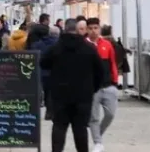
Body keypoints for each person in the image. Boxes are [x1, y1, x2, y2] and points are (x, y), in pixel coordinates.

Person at [41, 19, 104, 152]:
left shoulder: (56, 48)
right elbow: (100, 72)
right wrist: (92, 88)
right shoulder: (89, 48)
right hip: (83, 97)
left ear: (64, 29)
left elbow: (43, 63)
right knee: (80, 129)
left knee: (59, 127)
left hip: (60, 95)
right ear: (77, 30)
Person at [86, 18, 119, 152]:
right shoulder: (84, 45)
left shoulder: (106, 44)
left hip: (108, 85)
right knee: (93, 117)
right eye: (91, 28)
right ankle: (98, 142)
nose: (93, 31)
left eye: (96, 28)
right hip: (92, 88)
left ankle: (97, 134)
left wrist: (115, 81)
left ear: (99, 29)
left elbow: (112, 63)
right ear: (87, 29)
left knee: (110, 114)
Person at [27, 23, 56, 119]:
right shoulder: (57, 43)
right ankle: (52, 111)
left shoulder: (35, 45)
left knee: (46, 91)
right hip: (54, 71)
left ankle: (48, 111)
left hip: (41, 72)